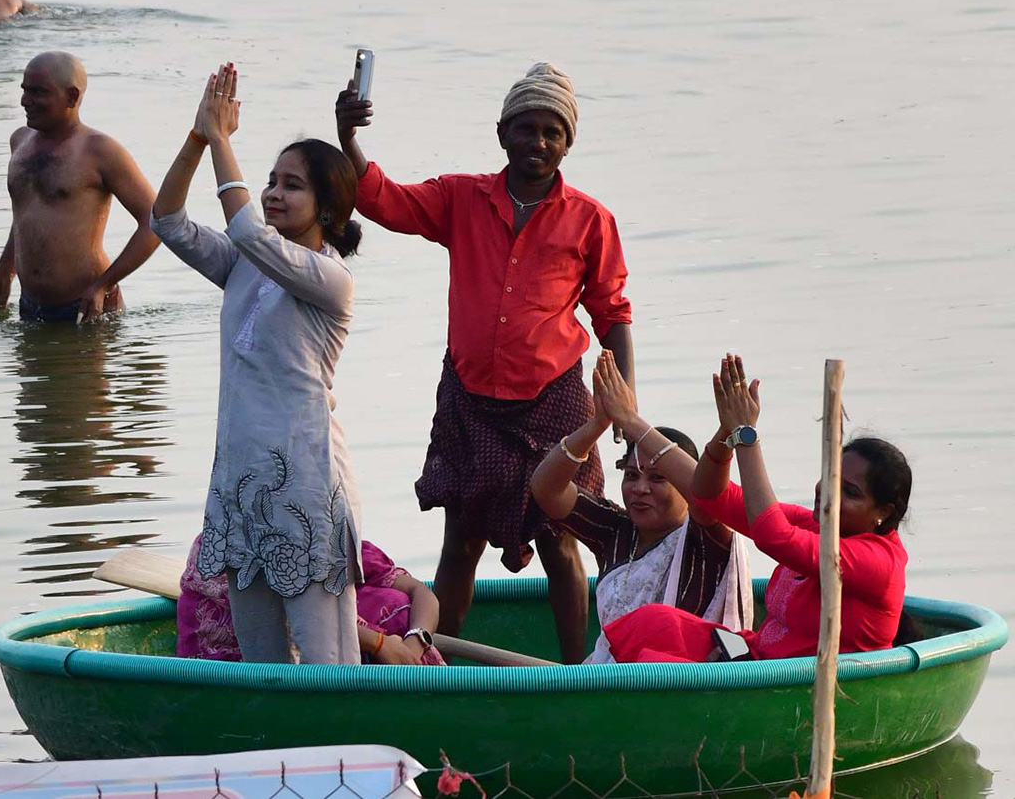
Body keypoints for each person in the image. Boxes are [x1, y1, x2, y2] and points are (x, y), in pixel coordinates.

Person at [335, 62, 634, 663]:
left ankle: (575, 673)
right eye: (527, 129)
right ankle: (435, 665)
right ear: (502, 133)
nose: (539, 143)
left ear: (568, 143)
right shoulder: (460, 198)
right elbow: (384, 201)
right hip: (471, 398)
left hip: (555, 400)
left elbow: (613, 316)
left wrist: (624, 412)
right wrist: (348, 141)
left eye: (553, 132)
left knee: (560, 540)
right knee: (461, 540)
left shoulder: (590, 220)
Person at [153, 63, 365, 664]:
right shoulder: (245, 264)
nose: (273, 191)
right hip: (240, 482)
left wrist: (224, 140)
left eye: (292, 184)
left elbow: (247, 230)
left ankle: (348, 753)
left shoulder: (329, 279)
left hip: (305, 481)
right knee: (261, 661)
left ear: (327, 209)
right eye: (271, 179)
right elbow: (166, 221)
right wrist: (198, 139)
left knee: (329, 665)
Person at [603, 354, 911, 663]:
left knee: (656, 665)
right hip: (754, 657)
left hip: (788, 681)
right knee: (656, 622)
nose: (826, 491)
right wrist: (725, 433)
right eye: (830, 477)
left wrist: (747, 436)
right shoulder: (817, 527)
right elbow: (712, 496)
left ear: (882, 512)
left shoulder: (878, 561)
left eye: (850, 492)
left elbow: (771, 534)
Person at [529, 351, 753, 663]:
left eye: (659, 478)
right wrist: (598, 424)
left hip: (684, 682)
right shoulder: (615, 531)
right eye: (631, 476)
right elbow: (546, 489)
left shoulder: (707, 536)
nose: (639, 489)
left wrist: (631, 421)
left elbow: (707, 495)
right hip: (608, 680)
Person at [0, 51, 160, 323]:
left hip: (87, 310)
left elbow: (156, 222)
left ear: (72, 97)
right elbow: (25, 216)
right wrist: (4, 272)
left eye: (38, 92)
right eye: (24, 90)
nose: (25, 101)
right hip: (30, 308)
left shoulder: (100, 151)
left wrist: (103, 286)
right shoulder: (20, 142)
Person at [178, 537, 445, 665]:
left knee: (395, 603)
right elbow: (296, 620)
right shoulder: (224, 547)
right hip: (243, 674)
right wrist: (379, 643)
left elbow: (419, 591)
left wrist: (416, 640)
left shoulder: (335, 542)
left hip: (389, 658)